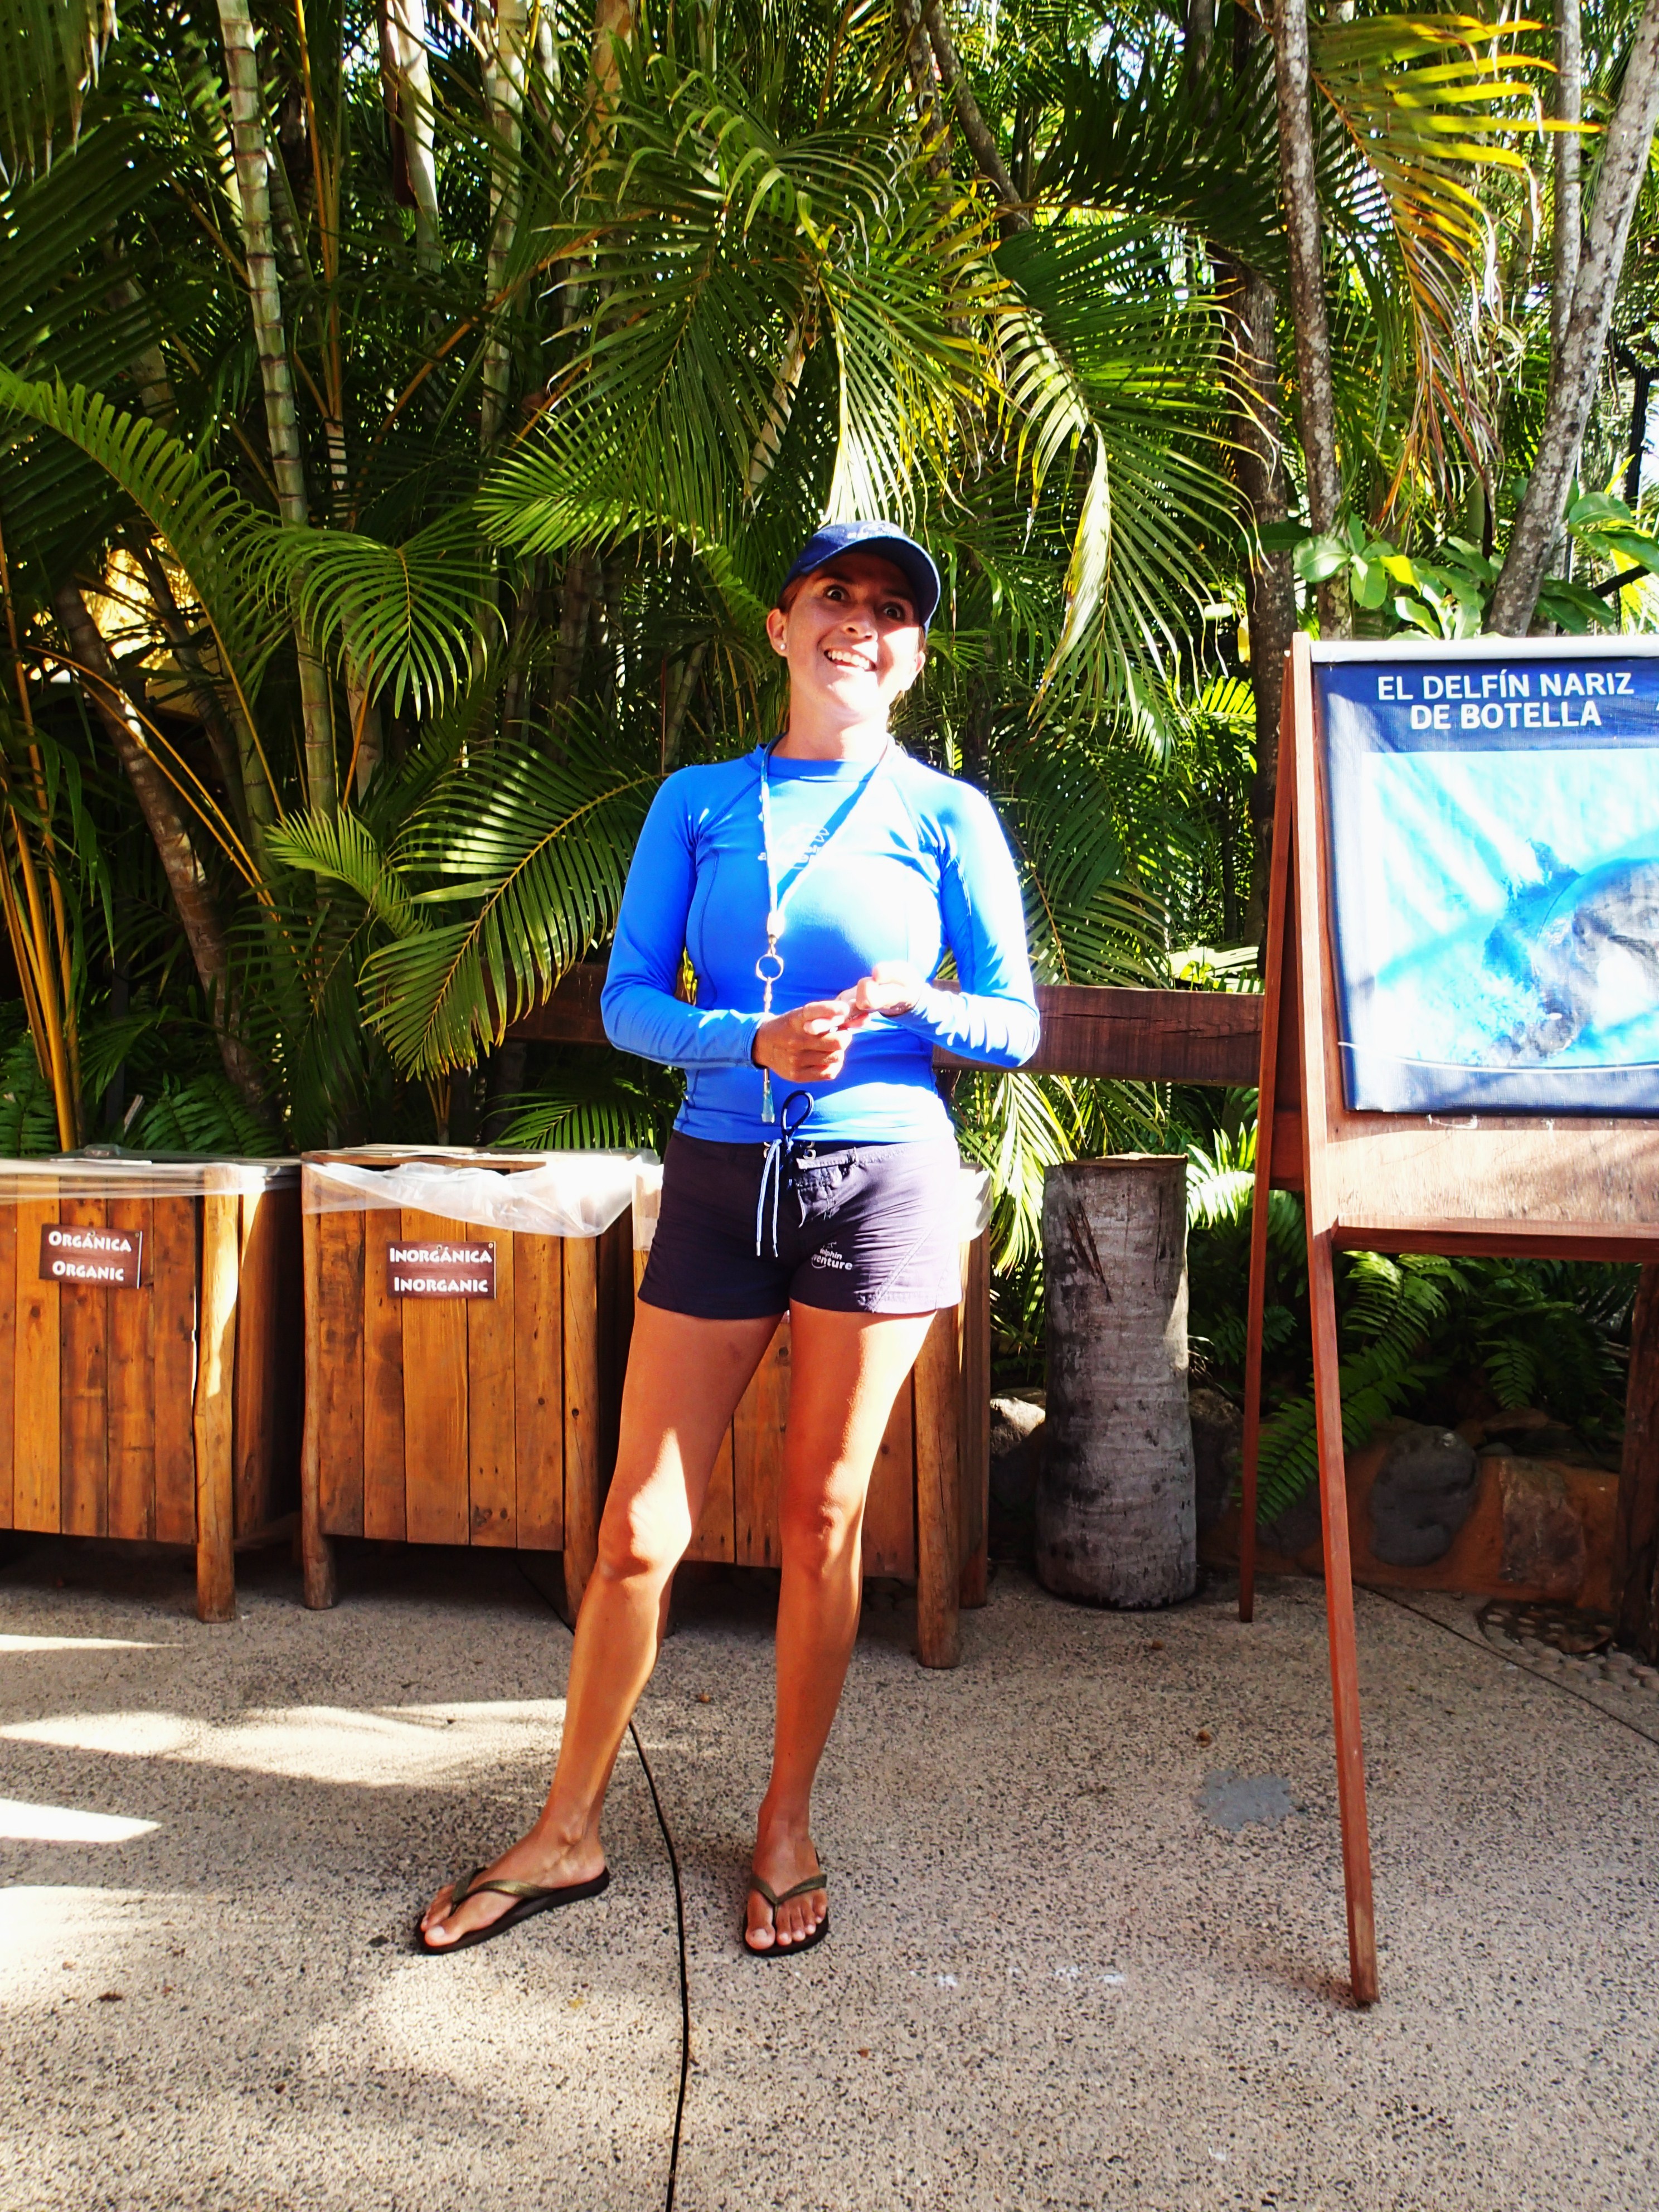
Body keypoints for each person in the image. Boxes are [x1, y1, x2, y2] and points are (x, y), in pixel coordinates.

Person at [418, 519, 1039, 1959]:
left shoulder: (948, 814)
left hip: (880, 1181)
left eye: (892, 609)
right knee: (639, 1526)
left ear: (914, 653)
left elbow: (1016, 1024)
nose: (861, 623)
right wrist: (750, 1039)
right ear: (782, 624)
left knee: (823, 1519)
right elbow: (630, 1000)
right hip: (718, 1175)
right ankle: (568, 1829)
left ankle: (785, 1824)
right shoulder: (698, 802)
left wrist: (918, 1005)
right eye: (837, 595)